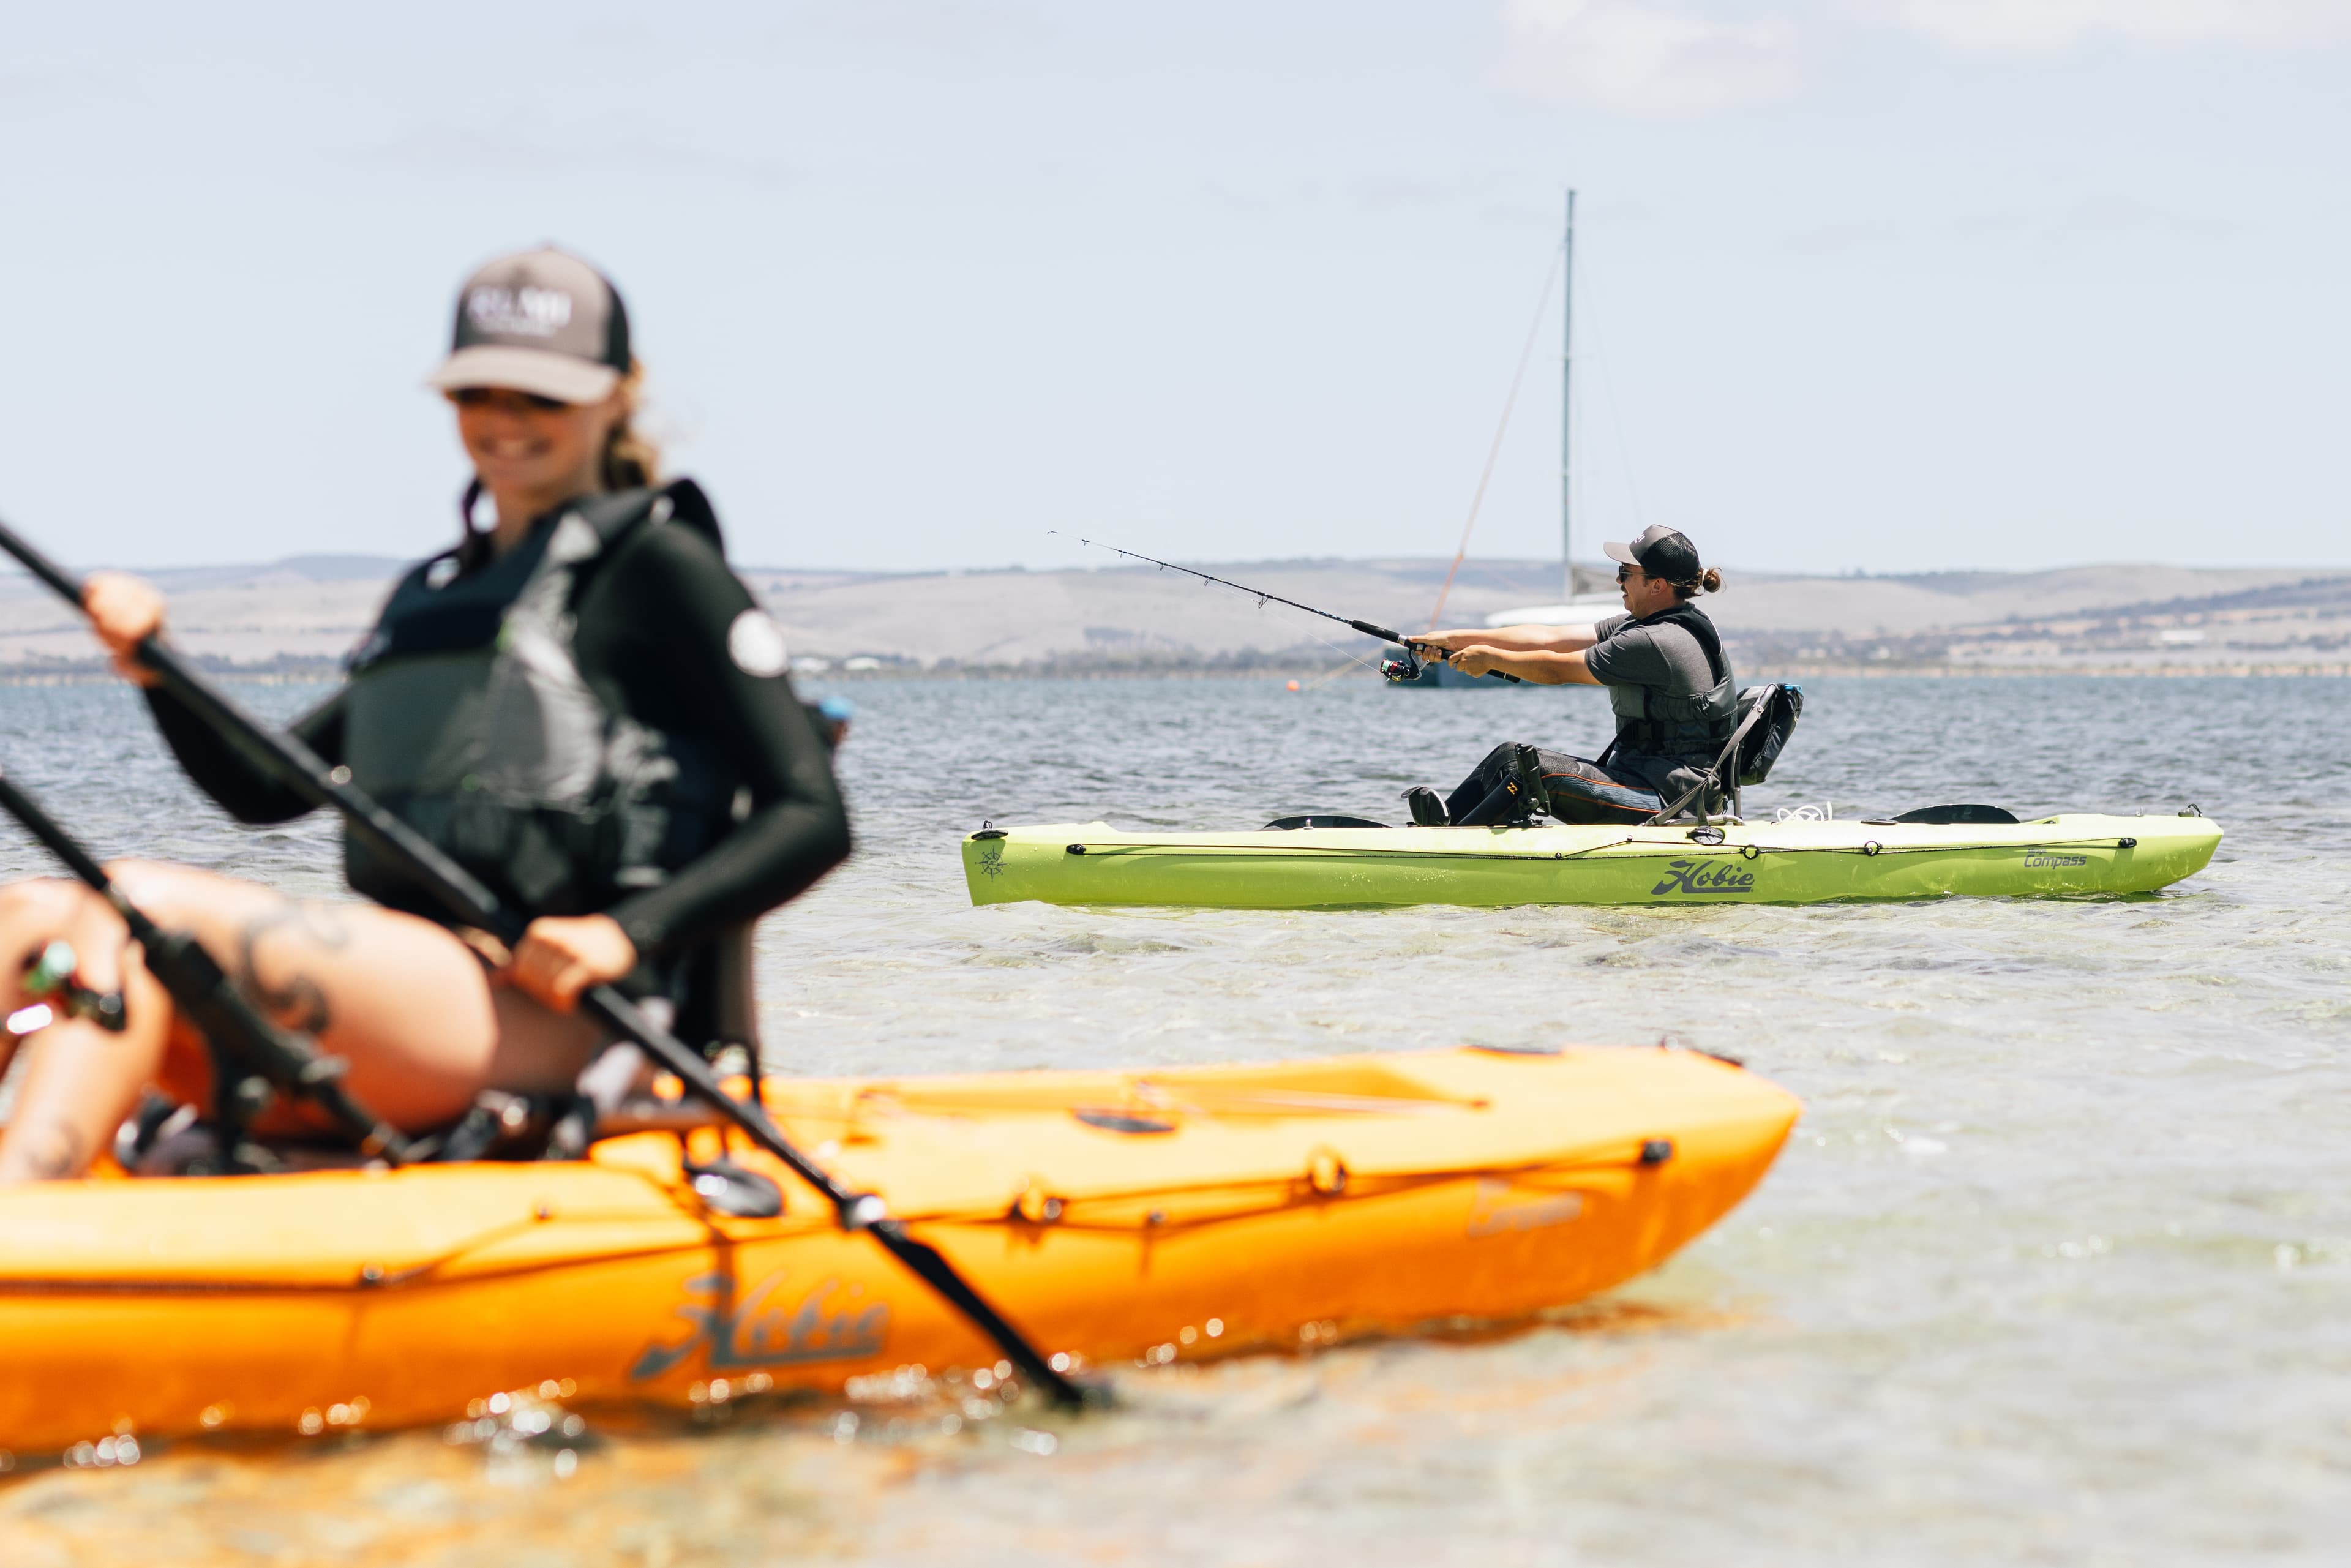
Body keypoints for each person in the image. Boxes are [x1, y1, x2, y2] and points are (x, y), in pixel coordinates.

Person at [0, 246, 851, 1183]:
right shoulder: (439, 597)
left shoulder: (660, 569)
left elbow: (810, 815)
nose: (507, 422)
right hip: (423, 996)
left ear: (617, 394)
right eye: (480, 395)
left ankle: (26, 1213)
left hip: (574, 1023)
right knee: (35, 914)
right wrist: (154, 666)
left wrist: (627, 930)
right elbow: (263, 788)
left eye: (543, 397)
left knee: (135, 906)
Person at [1404, 525, 1734, 827]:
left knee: (1532, 773)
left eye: (1626, 573)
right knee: (1509, 756)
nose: (1619, 581)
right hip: (1643, 780)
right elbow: (1547, 638)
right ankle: (1438, 835)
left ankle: (1449, 849)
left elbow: (1554, 669)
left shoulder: (1653, 641)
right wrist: (1451, 639)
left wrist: (1491, 660)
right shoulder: (1644, 624)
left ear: (1657, 585)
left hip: (1672, 798)